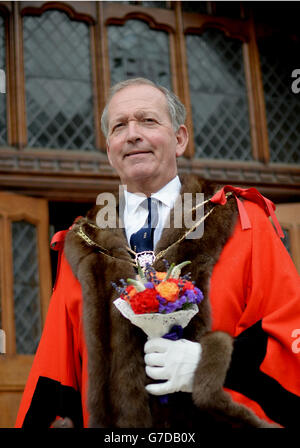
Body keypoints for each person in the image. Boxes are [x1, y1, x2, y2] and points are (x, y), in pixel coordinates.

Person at [16, 78, 300, 428]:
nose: (133, 133)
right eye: (120, 126)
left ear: (180, 139)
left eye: (148, 121)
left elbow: (289, 329)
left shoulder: (242, 221)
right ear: (110, 150)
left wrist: (210, 366)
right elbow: (57, 367)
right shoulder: (82, 243)